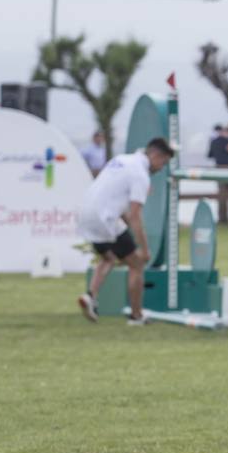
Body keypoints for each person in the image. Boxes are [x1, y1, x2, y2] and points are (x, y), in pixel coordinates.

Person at [76, 137, 174, 326]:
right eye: (164, 162)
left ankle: (90, 297)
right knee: (136, 264)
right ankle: (136, 316)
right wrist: (145, 250)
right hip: (105, 218)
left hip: (86, 213)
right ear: (156, 155)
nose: (162, 168)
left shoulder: (121, 159)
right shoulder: (141, 175)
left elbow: (121, 208)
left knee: (108, 258)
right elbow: (135, 216)